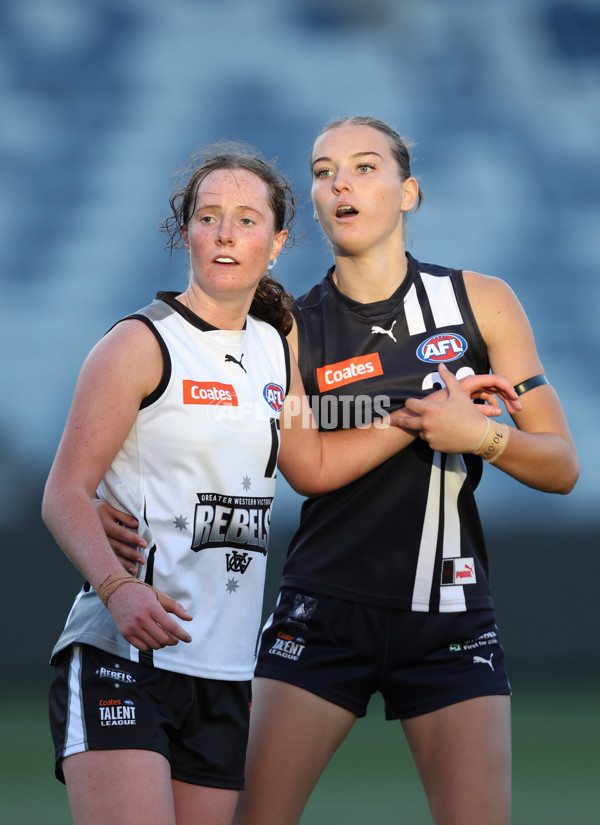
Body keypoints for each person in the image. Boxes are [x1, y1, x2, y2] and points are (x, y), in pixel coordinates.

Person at [95, 119, 570, 825]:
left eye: (365, 166)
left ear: (408, 191)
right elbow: (243, 432)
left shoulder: (481, 301)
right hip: (320, 614)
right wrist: (110, 492)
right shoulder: (283, 323)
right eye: (323, 171)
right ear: (313, 204)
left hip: (450, 618)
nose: (341, 182)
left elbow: (561, 464)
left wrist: (482, 436)